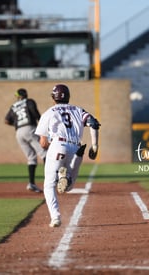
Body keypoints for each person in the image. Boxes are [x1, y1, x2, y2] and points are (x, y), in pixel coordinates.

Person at [35, 84, 101, 227]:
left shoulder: (49, 112)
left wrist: (49, 146)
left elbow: (43, 143)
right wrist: (95, 146)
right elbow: (93, 123)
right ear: (68, 96)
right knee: (68, 188)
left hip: (58, 145)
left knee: (49, 185)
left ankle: (55, 217)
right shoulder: (78, 110)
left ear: (53, 97)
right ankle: (65, 176)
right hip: (76, 148)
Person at [5, 88, 47, 193]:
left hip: (19, 132)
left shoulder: (14, 106)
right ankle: (50, 181)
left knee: (31, 158)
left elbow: (6, 120)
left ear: (18, 96)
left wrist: (16, 124)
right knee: (45, 153)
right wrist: (43, 127)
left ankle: (32, 184)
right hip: (30, 128)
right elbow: (35, 114)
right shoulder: (29, 101)